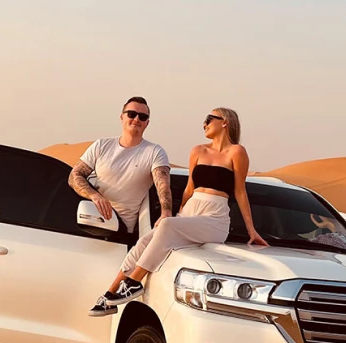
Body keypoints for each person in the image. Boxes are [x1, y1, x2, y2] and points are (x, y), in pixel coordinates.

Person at [88, 108, 268, 317]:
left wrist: (251, 230)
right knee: (145, 241)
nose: (204, 124)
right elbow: (189, 188)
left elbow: (240, 191)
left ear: (225, 122)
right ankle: (109, 295)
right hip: (190, 212)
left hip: (214, 217)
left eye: (209, 119)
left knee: (165, 225)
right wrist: (180, 214)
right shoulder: (198, 151)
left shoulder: (236, 152)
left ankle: (135, 281)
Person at [70, 96, 173, 316]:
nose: (136, 119)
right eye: (132, 114)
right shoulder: (102, 146)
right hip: (90, 225)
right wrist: (95, 196)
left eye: (142, 117)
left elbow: (162, 184)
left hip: (118, 234)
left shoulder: (154, 152)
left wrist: (166, 212)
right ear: (121, 117)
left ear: (147, 123)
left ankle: (110, 296)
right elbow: (75, 176)